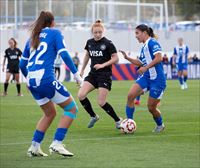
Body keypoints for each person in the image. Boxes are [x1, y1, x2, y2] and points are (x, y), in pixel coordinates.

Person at [19, 11, 82, 157]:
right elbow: (65, 54)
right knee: (72, 109)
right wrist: (77, 75)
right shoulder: (55, 33)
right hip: (46, 79)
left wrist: (30, 79)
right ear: (51, 22)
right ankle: (57, 143)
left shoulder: (32, 38)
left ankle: (34, 146)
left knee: (49, 113)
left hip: (32, 81)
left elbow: (22, 65)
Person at [119, 24, 166, 133]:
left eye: (137, 33)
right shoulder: (143, 47)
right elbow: (140, 62)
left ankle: (160, 125)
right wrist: (127, 58)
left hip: (158, 80)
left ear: (144, 33)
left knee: (151, 108)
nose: (136, 36)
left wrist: (145, 67)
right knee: (130, 96)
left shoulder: (153, 42)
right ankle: (129, 124)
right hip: (146, 77)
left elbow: (159, 58)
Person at [77, 20, 122, 129]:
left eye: (99, 32)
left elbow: (116, 59)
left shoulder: (108, 43)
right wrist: (82, 70)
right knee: (81, 95)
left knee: (101, 102)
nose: (97, 34)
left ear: (103, 32)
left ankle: (117, 120)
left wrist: (103, 65)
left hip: (105, 75)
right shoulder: (89, 42)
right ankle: (93, 116)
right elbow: (87, 55)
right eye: (95, 32)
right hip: (93, 74)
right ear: (92, 32)